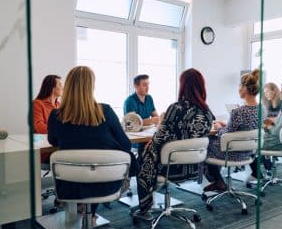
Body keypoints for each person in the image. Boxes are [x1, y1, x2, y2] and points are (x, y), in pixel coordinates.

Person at [48, 66, 138, 217]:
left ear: (68, 86)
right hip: (108, 183)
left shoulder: (56, 115)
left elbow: (53, 141)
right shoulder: (106, 111)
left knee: (84, 169)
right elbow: (126, 145)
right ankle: (91, 213)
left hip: (71, 184)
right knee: (101, 164)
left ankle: (84, 209)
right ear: (91, 86)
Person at [133, 68, 214, 220]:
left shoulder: (175, 108)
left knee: (143, 160)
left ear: (182, 86)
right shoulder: (207, 112)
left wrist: (157, 134)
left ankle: (145, 208)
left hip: (171, 167)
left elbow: (158, 140)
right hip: (193, 166)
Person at [204, 69, 260, 192]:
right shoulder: (262, 109)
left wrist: (219, 127)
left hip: (233, 153)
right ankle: (218, 181)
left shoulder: (238, 111)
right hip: (249, 152)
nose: (238, 88)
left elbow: (226, 134)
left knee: (205, 144)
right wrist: (226, 125)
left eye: (240, 85)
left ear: (245, 88)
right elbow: (243, 129)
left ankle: (218, 181)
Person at [250, 80, 282, 178]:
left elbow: (277, 133)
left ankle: (256, 174)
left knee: (248, 144)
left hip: (279, 144)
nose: (280, 92)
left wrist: (268, 127)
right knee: (253, 140)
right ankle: (260, 171)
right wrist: (272, 124)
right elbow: (280, 128)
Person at [33, 75, 63, 162]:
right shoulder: (37, 104)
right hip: (46, 150)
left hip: (58, 146)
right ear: (52, 88)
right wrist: (62, 131)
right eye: (60, 85)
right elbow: (39, 127)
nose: (63, 88)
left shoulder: (60, 105)